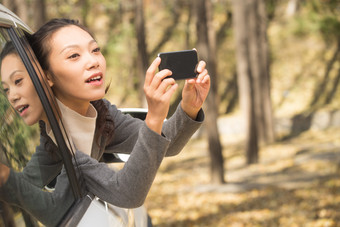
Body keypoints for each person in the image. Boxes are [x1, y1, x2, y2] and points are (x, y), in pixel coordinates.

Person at [0, 18, 210, 226]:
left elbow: (166, 143)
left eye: (95, 50)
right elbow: (128, 193)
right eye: (74, 55)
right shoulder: (64, 145)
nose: (93, 61)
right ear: (46, 77)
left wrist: (189, 108)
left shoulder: (101, 112)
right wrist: (154, 116)